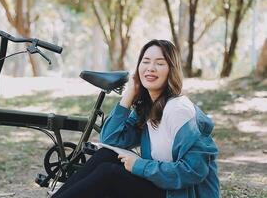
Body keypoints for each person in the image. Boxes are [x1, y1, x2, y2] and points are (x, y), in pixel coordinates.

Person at [51, 39, 220, 198]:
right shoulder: (149, 107)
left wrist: (139, 166)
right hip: (164, 188)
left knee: (110, 174)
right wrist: (128, 95)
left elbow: (193, 171)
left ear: (171, 70)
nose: (150, 68)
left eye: (160, 63)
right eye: (145, 61)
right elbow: (110, 140)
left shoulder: (179, 111)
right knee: (106, 155)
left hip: (183, 194)